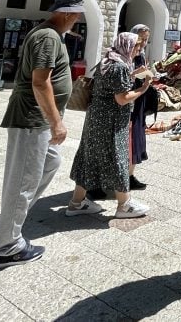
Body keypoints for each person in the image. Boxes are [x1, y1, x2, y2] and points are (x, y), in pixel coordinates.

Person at [0, 0, 83, 267]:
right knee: (24, 179)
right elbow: (40, 82)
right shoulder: (48, 37)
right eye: (76, 14)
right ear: (66, 13)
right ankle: (8, 246)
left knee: (49, 163)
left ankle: (3, 224)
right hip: (32, 118)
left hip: (35, 119)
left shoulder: (51, 35)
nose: (77, 19)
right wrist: (56, 122)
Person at [67, 32, 150, 220]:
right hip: (111, 121)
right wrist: (141, 89)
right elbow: (121, 99)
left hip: (96, 118)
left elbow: (111, 83)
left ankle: (76, 202)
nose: (138, 49)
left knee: (90, 156)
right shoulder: (119, 66)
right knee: (117, 157)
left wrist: (133, 74)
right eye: (136, 46)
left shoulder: (108, 61)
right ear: (127, 46)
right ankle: (124, 205)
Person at [128, 24, 152, 191]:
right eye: (141, 39)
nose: (143, 42)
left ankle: (129, 175)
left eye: (146, 39)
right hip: (129, 102)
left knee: (136, 140)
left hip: (139, 101)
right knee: (129, 140)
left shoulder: (141, 54)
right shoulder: (126, 54)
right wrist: (138, 73)